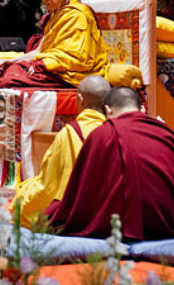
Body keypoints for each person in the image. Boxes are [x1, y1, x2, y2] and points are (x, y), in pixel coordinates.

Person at [47, 86, 174, 241]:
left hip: (118, 225)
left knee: (51, 213)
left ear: (108, 111)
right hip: (167, 225)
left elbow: (83, 194)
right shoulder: (171, 136)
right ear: (142, 109)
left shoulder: (102, 134)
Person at [12, 75, 111, 228]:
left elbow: (47, 186)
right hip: (108, 210)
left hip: (75, 210)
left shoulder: (69, 134)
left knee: (21, 197)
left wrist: (21, 198)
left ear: (80, 99)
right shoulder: (114, 131)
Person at [0, 0, 105, 88]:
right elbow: (39, 51)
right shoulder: (54, 17)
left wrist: (44, 64)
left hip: (71, 73)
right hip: (54, 66)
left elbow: (78, 55)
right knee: (12, 70)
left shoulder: (77, 15)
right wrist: (11, 61)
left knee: (12, 79)